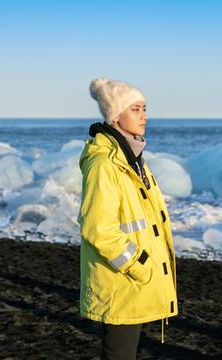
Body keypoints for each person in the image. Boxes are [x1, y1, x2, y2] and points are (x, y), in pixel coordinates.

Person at [78, 78, 178, 359]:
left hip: (135, 283)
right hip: (121, 281)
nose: (144, 116)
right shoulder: (104, 163)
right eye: (135, 109)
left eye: (144, 108)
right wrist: (138, 264)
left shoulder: (133, 159)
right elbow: (97, 228)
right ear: (115, 115)